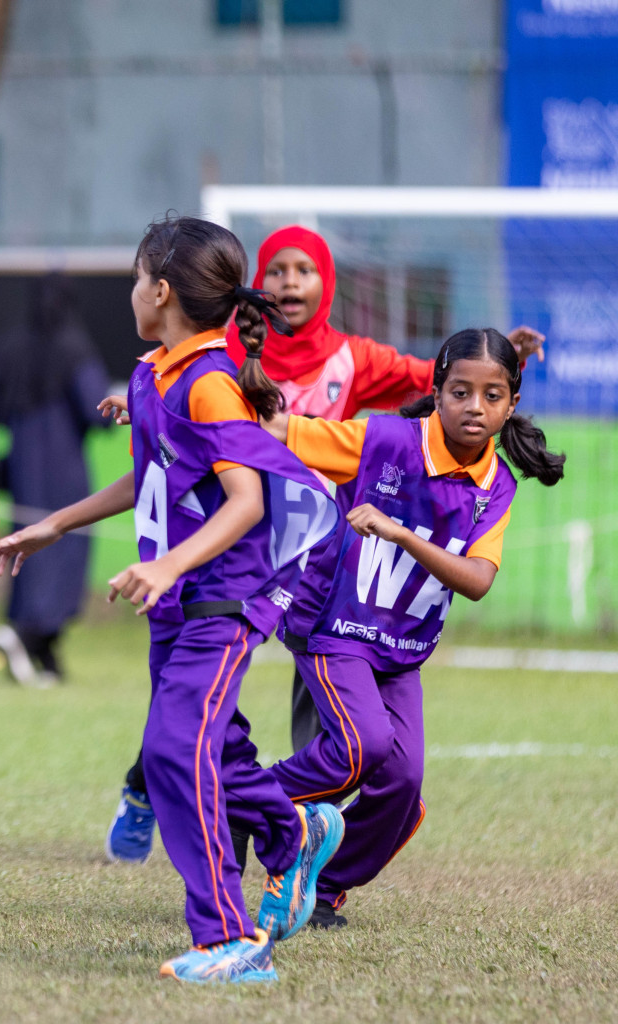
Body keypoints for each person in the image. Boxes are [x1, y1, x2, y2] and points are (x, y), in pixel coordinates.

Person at [107, 224, 547, 864]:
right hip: (258, 552)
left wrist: (507, 356)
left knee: (368, 755)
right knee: (197, 697)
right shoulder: (223, 353)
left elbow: (439, 374)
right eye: (277, 269)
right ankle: (165, 791)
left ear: (325, 284)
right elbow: (199, 402)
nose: (289, 281)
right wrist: (147, 406)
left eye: (303, 270)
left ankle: (300, 857)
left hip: (335, 565)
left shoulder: (357, 361)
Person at [0, 216, 344, 984]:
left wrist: (168, 564)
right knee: (211, 746)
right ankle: (293, 836)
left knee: (174, 750)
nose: (128, 294)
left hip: (221, 598)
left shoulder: (211, 383)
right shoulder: (154, 374)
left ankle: (228, 939)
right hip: (176, 601)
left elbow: (245, 501)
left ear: (160, 290)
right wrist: (49, 526)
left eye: (132, 279)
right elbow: (147, 481)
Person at [262, 327, 564, 930]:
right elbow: (282, 432)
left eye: (492, 396)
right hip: (334, 625)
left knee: (402, 779)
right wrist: (164, 413)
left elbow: (477, 579)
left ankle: (324, 886)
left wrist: (403, 533)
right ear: (436, 391)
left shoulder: (495, 486)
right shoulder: (384, 439)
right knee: (364, 744)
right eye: (460, 392)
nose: (474, 407)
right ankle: (240, 797)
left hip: (400, 649)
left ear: (512, 404)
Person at [0, 273, 112, 685]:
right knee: (64, 549)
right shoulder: (75, 349)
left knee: (25, 547)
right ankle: (25, 634)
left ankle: (43, 653)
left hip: (23, 467)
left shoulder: (9, 348)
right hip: (65, 471)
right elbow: (96, 410)